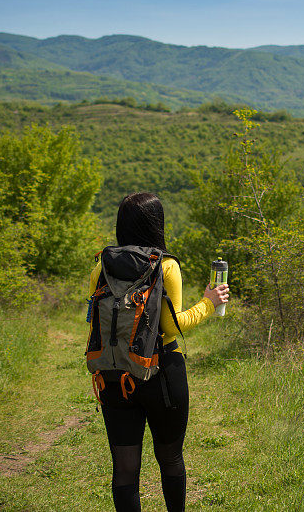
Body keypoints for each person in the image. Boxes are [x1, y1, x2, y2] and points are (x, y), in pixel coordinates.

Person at [88, 192, 230, 512]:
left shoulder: (102, 266)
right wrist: (210, 301)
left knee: (124, 468)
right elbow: (170, 326)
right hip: (161, 372)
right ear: (157, 224)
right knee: (170, 458)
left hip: (114, 374)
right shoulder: (165, 265)